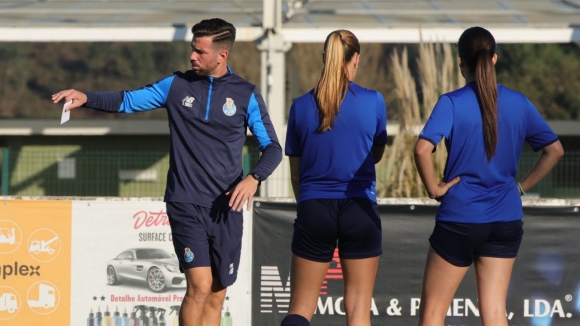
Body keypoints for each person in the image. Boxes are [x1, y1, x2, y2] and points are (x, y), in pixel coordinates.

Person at [51, 18, 282, 326]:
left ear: (222, 55)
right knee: (199, 286)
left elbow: (273, 148)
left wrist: (254, 178)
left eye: (200, 51)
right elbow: (129, 100)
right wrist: (87, 97)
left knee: (217, 292)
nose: (192, 56)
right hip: (185, 202)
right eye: (192, 49)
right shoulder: (175, 86)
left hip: (227, 208)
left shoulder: (246, 94)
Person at [414, 26, 564, 326]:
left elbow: (421, 150)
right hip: (505, 219)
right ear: (494, 59)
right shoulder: (519, 102)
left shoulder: (451, 102)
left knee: (432, 313)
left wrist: (434, 188)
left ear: (460, 62)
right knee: (494, 313)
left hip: (460, 217)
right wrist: (519, 188)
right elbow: (555, 150)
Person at [281, 30, 387, 326]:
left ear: (324, 59)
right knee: (358, 312)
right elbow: (374, 154)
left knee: (300, 308)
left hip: (314, 206)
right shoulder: (373, 101)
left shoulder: (300, 106)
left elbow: (296, 172)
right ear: (356, 60)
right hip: (360, 207)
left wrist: (306, 204)